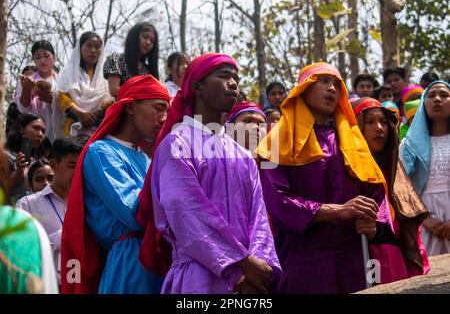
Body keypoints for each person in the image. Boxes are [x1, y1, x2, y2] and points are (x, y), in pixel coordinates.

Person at [141, 53, 281, 294]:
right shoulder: (177, 143)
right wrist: (241, 262)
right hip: (198, 278)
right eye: (224, 76)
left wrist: (258, 266)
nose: (234, 83)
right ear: (198, 88)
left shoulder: (243, 154)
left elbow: (258, 217)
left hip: (250, 283)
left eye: (236, 77)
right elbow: (185, 212)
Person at [257, 62, 393, 294]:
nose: (332, 88)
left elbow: (376, 194)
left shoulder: (354, 140)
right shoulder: (273, 143)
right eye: (323, 81)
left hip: (356, 259)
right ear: (304, 88)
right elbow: (277, 204)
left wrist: (373, 225)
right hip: (304, 263)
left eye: (337, 85)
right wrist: (338, 210)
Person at [61, 74, 170, 294]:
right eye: (158, 108)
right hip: (130, 262)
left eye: (167, 111)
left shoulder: (146, 158)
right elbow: (134, 214)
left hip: (159, 258)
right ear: (131, 108)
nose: (164, 118)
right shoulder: (101, 152)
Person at [351, 97, 430, 278]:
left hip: (394, 257)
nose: (379, 128)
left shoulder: (392, 172)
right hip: (363, 258)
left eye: (383, 122)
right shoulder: (347, 174)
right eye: (369, 122)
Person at [16, 137, 83, 286]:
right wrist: (63, 235)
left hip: (82, 285)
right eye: (72, 165)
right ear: (54, 165)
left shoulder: (90, 203)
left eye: (81, 166)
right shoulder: (28, 205)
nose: (78, 171)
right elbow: (21, 253)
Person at [400, 80, 450, 256]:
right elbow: (401, 187)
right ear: (423, 103)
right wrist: (424, 219)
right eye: (431, 95)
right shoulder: (407, 146)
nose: (437, 99)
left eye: (444, 95)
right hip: (422, 219)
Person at [0, 144, 58, 294]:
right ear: (30, 184)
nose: (46, 183)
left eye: (50, 178)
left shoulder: (72, 201)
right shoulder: (24, 206)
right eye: (39, 179)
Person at [53, 32, 114, 139]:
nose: (93, 50)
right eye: (89, 45)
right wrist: (81, 113)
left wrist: (96, 112)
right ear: (80, 48)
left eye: (97, 46)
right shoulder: (68, 71)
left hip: (100, 128)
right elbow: (60, 95)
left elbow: (110, 97)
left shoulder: (106, 74)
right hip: (72, 125)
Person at [15, 40, 57, 141]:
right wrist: (26, 89)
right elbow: (22, 109)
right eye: (38, 57)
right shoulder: (27, 81)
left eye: (46, 56)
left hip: (58, 132)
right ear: (34, 60)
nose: (42, 60)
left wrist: (52, 100)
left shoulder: (62, 81)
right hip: (34, 135)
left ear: (54, 58)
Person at [104, 22, 159, 97]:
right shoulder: (116, 59)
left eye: (152, 41)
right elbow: (114, 90)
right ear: (134, 37)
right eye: (145, 37)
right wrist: (143, 96)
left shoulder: (149, 70)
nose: (148, 42)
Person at [4, 113, 47, 202]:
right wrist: (18, 171)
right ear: (21, 129)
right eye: (36, 128)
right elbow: (3, 189)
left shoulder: (37, 162)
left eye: (43, 131)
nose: (40, 134)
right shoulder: (6, 157)